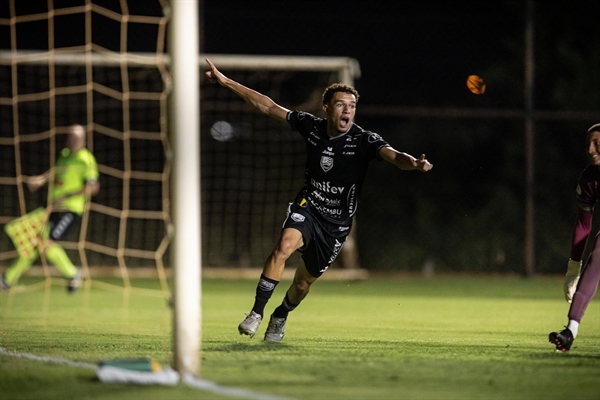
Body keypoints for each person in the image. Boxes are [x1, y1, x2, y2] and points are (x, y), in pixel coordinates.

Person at [205, 58, 433, 342]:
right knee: (284, 246)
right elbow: (266, 105)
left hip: (336, 226)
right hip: (308, 207)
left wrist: (412, 163)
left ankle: (281, 314)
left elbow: (394, 156)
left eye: (351, 106)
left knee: (301, 285)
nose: (347, 110)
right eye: (340, 104)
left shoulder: (364, 140)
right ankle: (256, 313)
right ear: (326, 108)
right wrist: (226, 81)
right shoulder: (311, 126)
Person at [1, 124, 100, 293]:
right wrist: (41, 179)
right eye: (71, 136)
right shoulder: (65, 155)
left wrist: (68, 196)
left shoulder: (86, 159)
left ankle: (72, 273)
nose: (74, 140)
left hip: (70, 210)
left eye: (77, 137)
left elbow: (93, 187)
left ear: (84, 139)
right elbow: (55, 173)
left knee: (47, 243)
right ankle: (7, 280)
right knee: (32, 242)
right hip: (53, 209)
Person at [549, 122, 600, 352]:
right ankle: (571, 330)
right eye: (588, 143)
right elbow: (583, 224)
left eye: (597, 143)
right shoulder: (589, 178)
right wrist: (573, 268)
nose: (590, 150)